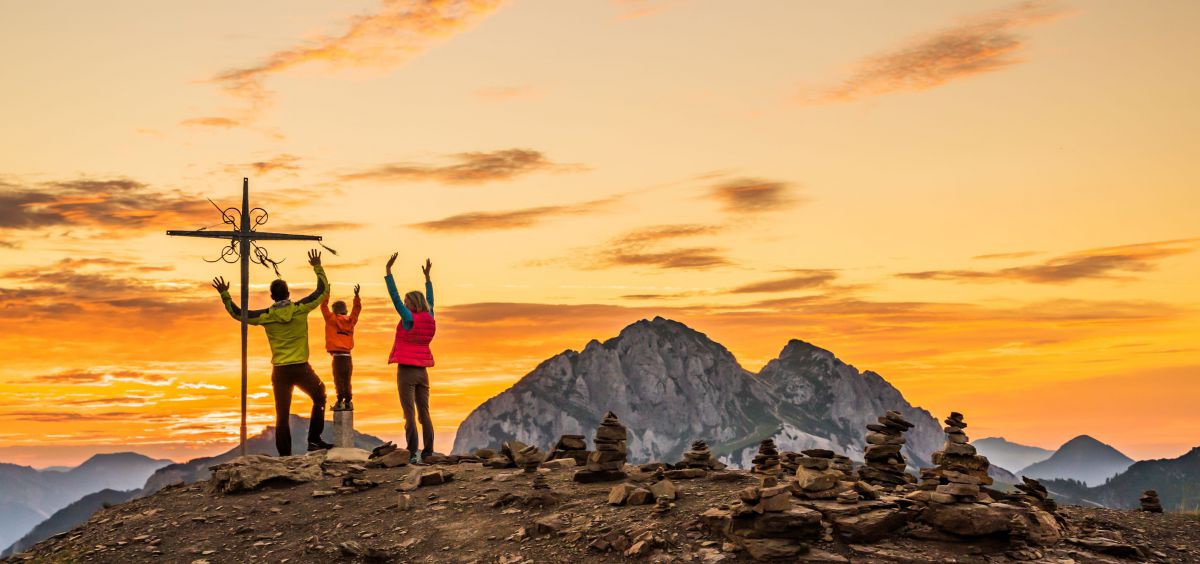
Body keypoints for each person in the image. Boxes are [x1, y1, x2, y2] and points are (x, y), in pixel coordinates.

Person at [211, 249, 334, 456]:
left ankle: (285, 455)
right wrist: (317, 266)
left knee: (282, 415)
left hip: (280, 371)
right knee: (319, 396)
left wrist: (225, 294)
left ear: (272, 296)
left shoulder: (266, 316)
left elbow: (238, 314)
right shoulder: (300, 308)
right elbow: (323, 291)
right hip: (301, 368)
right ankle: (314, 441)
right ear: (288, 293)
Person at [385, 254, 436, 462]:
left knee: (409, 414)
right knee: (424, 413)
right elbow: (431, 299)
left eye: (407, 302)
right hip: (423, 371)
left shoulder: (408, 318)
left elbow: (394, 298)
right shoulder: (430, 315)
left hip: (406, 371)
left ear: (411, 304)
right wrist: (428, 278)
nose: (404, 305)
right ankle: (429, 452)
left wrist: (388, 273)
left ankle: (413, 452)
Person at [320, 284, 362, 411]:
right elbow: (357, 310)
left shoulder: (331, 319)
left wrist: (326, 293)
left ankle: (340, 402)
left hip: (338, 358)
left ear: (334, 311)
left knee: (338, 380)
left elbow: (323, 307)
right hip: (348, 357)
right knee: (347, 380)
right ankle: (348, 401)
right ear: (345, 311)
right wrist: (356, 297)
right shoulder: (351, 321)